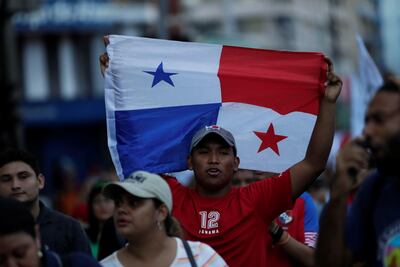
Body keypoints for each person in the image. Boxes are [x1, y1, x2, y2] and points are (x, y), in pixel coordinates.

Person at [100, 44, 341, 266]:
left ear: (236, 163)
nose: (213, 159)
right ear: (189, 162)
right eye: (204, 152)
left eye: (223, 152)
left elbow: (314, 164)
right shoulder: (170, 196)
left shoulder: (257, 199)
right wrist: (116, 81)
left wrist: (329, 103)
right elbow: (133, 153)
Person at [315, 81, 400, 267]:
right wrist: (340, 189)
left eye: (379, 120)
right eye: (367, 121)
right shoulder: (374, 190)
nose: (366, 131)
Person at [100, 170, 228, 267]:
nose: (121, 209)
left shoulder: (201, 256)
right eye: (118, 203)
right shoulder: (105, 265)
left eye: (134, 203)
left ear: (161, 212)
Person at [0, 149, 91, 255]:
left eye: (23, 176)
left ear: (40, 181)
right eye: (6, 179)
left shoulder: (69, 228)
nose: (15, 185)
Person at [233, 169, 318, 267]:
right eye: (236, 182)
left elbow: (313, 259)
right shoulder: (233, 201)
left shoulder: (303, 200)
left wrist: (276, 231)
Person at [0, 196, 101, 267]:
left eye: (20, 254)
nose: (11, 265)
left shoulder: (79, 264)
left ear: (37, 237)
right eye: (1, 260)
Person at [85, 181, 115, 259]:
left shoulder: (124, 235)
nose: (102, 205)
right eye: (97, 201)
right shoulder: (83, 235)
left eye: (107, 200)